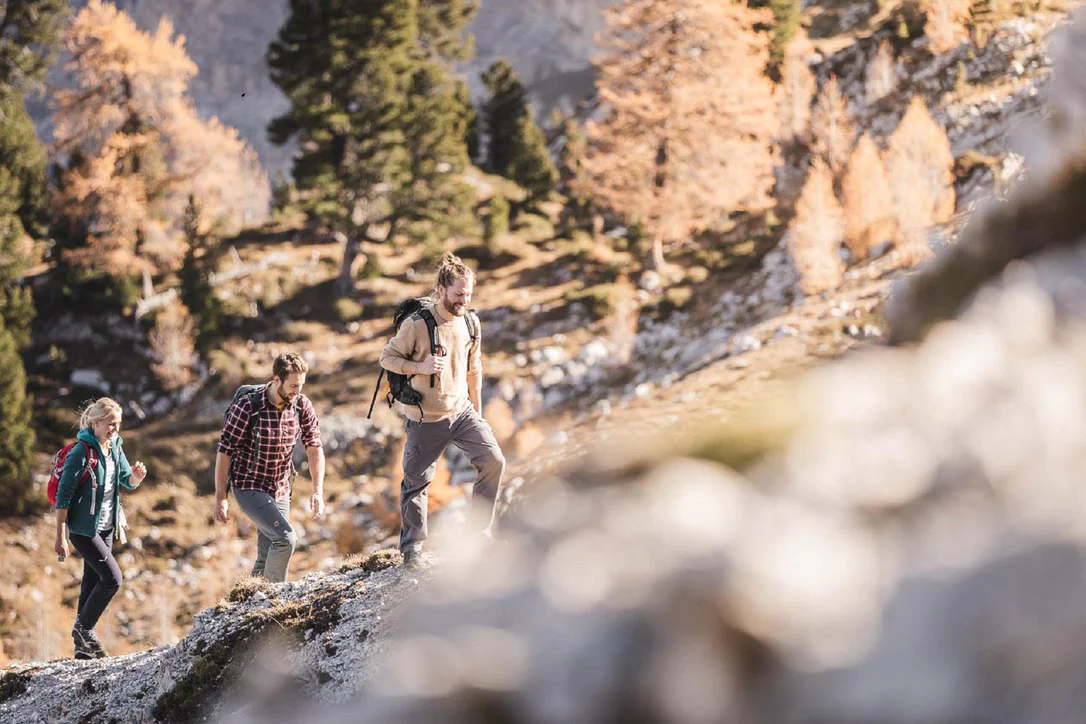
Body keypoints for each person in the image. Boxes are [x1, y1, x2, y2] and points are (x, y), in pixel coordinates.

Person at [380, 253, 506, 567]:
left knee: (494, 461)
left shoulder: (471, 322)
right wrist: (418, 366)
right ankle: (412, 550)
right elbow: (387, 358)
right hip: (426, 418)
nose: (464, 300)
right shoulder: (418, 325)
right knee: (416, 482)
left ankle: (478, 536)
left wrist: (477, 412)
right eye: (458, 294)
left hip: (462, 412)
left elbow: (474, 369)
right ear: (440, 290)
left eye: (469, 294)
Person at [214, 352, 325, 582]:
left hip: (281, 488)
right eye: (293, 385)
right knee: (285, 540)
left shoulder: (301, 405)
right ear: (276, 380)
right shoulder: (249, 406)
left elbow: (314, 447)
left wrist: (318, 491)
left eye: (301, 385)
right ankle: (274, 602)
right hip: (249, 485)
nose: (298, 391)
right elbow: (225, 451)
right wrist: (220, 497)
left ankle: (246, 605)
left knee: (267, 554)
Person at [55, 397, 148, 660]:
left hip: (107, 526)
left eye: (117, 424)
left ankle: (82, 651)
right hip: (84, 530)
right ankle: (83, 629)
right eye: (110, 424)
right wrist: (60, 535)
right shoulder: (81, 451)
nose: (114, 429)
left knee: (91, 582)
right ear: (96, 423)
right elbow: (64, 496)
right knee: (112, 579)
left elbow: (125, 481)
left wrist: (136, 478)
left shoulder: (116, 447)